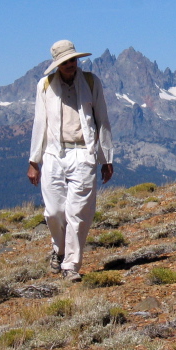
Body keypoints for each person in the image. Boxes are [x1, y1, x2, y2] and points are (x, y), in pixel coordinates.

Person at [27, 40, 114, 282]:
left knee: (79, 212)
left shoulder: (91, 82)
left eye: (73, 60)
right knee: (54, 211)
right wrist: (34, 161)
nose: (70, 65)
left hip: (83, 152)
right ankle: (59, 249)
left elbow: (102, 119)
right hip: (53, 154)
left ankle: (71, 266)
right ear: (57, 64)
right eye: (65, 62)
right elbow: (39, 123)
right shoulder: (44, 86)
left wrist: (106, 157)